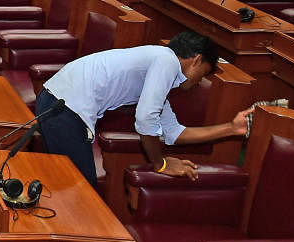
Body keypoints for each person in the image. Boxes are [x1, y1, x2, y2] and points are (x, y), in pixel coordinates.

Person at [34, 31, 253, 186]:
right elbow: (146, 119)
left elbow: (174, 133)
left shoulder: (157, 68)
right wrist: (160, 163)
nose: (198, 83)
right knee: (81, 193)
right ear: (196, 60)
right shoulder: (166, 61)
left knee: (66, 185)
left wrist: (231, 129)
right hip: (65, 108)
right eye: (203, 75)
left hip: (56, 101)